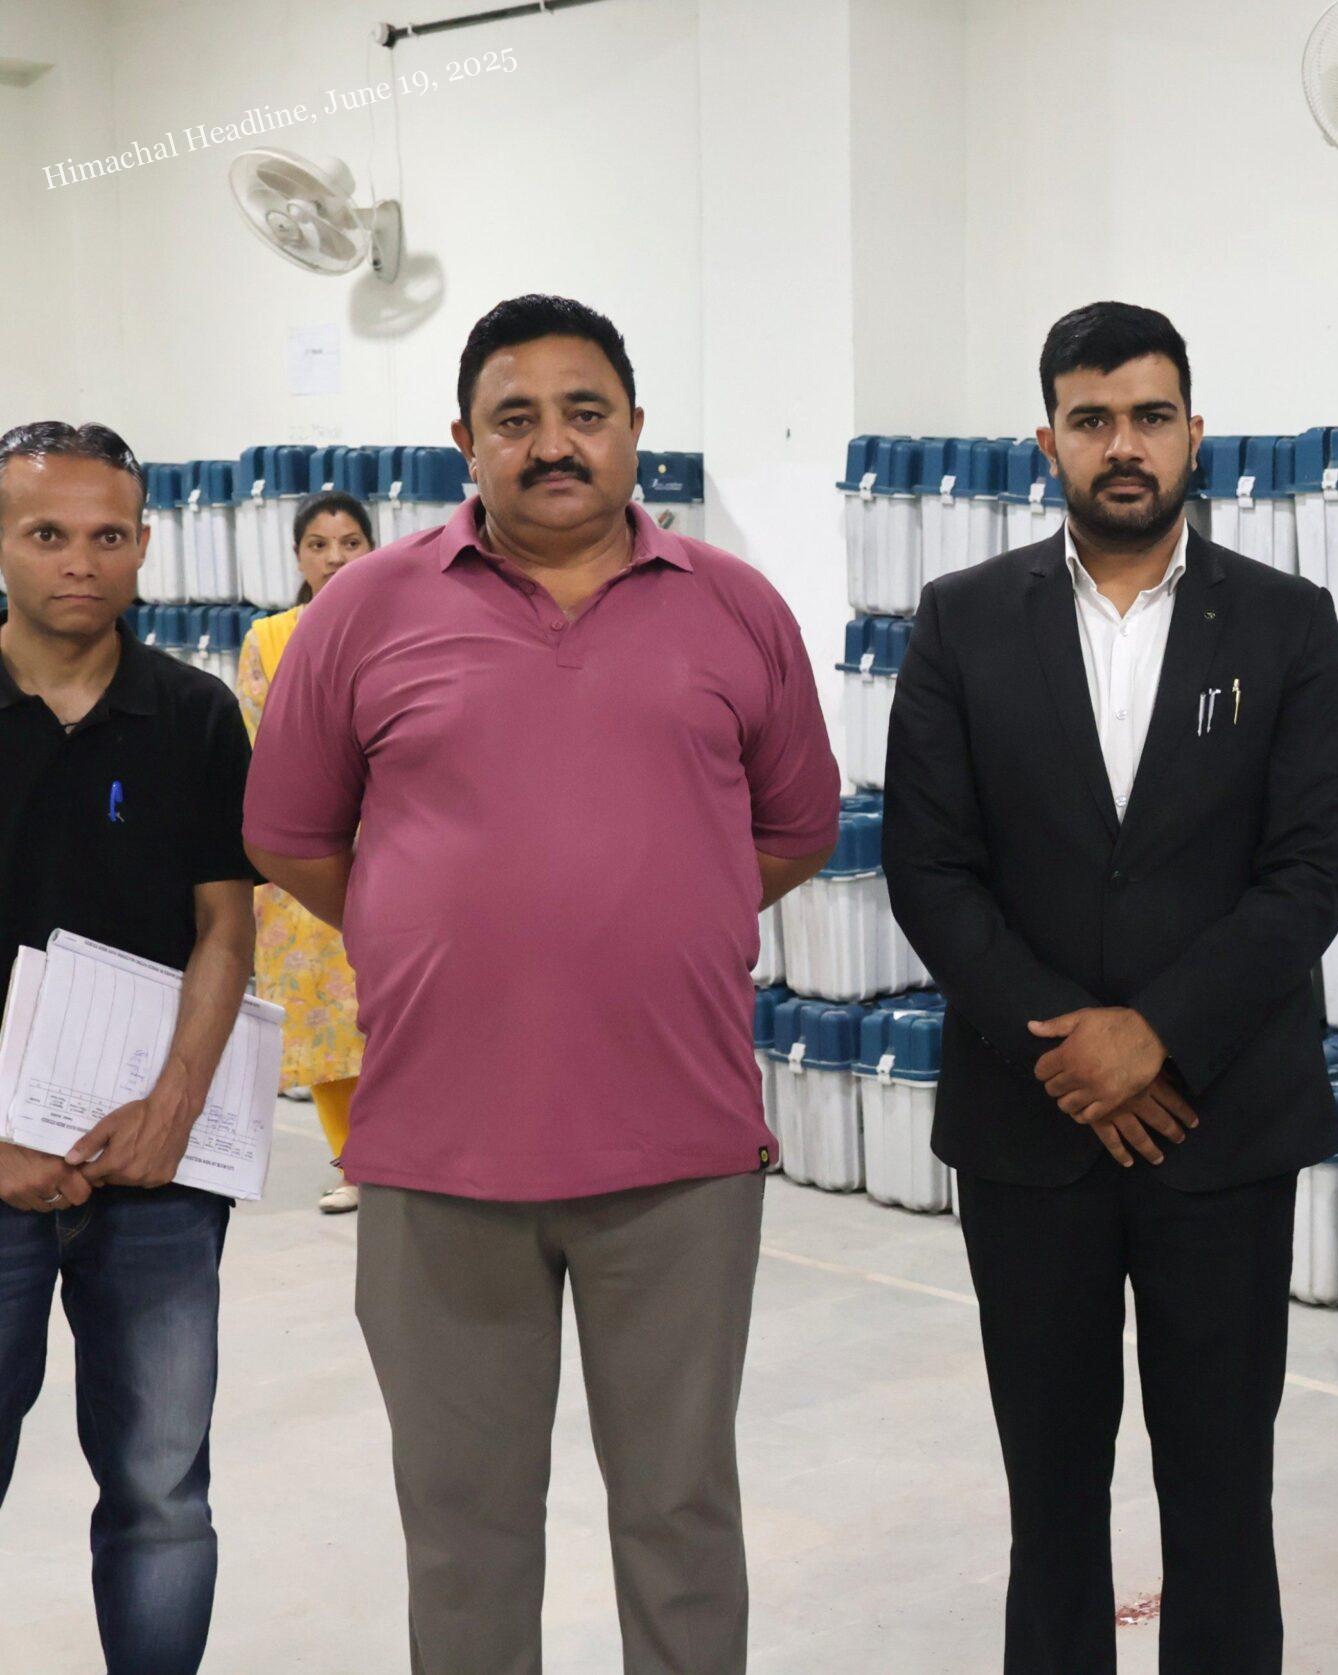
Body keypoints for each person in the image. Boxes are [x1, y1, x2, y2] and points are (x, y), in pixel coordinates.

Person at [242, 295, 841, 1675]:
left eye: (585, 414)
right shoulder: (365, 610)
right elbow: (289, 832)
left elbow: (795, 828)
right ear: (465, 441)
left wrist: (664, 906)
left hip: (679, 1151)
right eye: (515, 418)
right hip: (437, 1152)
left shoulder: (735, 607)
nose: (553, 444)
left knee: (681, 1516)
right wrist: (422, 922)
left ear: (636, 431)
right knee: (466, 1531)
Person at [883, 301, 1338, 1675]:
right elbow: (931, 866)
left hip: (1221, 1123)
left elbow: (1309, 868)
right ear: (1047, 442)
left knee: (1222, 1490)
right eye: (1091, 420)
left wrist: (1158, 1035)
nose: (1124, 445)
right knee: (1050, 1498)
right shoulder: (963, 621)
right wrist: (1071, 1048)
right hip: (1030, 1127)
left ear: (1195, 433)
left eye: (1151, 416)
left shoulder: (1283, 622)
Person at [0, 420, 257, 1675]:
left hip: (158, 1171)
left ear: (147, 543)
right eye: (47, 533)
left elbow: (226, 927)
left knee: (161, 1489)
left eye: (109, 535)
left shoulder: (195, 715)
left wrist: (172, 1109)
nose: (80, 561)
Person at [237, 491, 373, 1213]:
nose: (335, 558)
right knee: (324, 1020)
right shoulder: (268, 639)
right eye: (319, 545)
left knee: (393, 1009)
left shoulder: (400, 625)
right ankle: (353, 1160)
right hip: (307, 856)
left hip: (390, 844)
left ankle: (405, 1155)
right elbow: (258, 745)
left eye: (350, 542)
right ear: (297, 557)